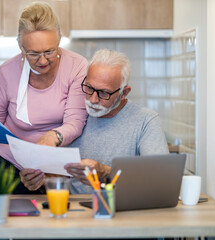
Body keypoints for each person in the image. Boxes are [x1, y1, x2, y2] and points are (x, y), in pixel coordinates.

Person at [0, 2, 88, 194]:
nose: (42, 61)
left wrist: (52, 136)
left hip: (53, 166)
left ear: (59, 40)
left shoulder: (77, 66)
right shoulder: (7, 72)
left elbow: (75, 121)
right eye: (33, 53)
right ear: (21, 47)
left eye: (50, 51)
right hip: (9, 164)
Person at [63, 49, 170, 194]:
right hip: (73, 210)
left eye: (104, 93)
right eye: (89, 88)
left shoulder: (146, 120)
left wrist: (106, 172)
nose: (93, 100)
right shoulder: (72, 112)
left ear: (124, 93)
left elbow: (160, 178)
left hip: (122, 209)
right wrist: (41, 177)